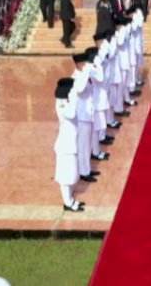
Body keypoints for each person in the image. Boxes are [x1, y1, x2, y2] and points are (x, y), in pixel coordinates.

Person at [71, 53, 104, 183]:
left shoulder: (86, 74)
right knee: (83, 145)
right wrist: (86, 72)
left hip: (89, 113)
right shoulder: (76, 77)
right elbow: (80, 88)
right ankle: (83, 172)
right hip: (82, 116)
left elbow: (100, 78)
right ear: (79, 64)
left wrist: (96, 66)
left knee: (88, 143)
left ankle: (87, 168)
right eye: (84, 63)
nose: (86, 65)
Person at [54, 77, 83, 212]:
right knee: (65, 177)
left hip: (71, 144)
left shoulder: (65, 102)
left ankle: (70, 199)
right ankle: (67, 203)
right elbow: (71, 114)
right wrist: (74, 96)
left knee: (70, 174)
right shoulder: (61, 104)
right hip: (65, 146)